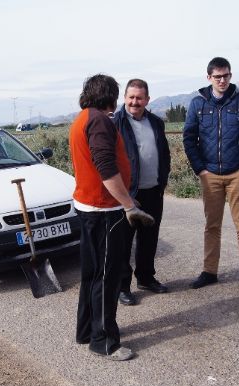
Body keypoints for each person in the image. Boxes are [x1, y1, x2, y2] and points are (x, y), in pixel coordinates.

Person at [69, 74, 155, 361]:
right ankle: (104, 341)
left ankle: (86, 331)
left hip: (89, 207)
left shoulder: (82, 117)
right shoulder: (100, 121)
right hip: (105, 211)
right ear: (111, 96)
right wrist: (129, 204)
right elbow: (106, 167)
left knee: (92, 274)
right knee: (107, 277)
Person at [183, 57, 239, 296]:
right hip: (210, 176)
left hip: (237, 174)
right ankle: (209, 272)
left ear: (230, 75)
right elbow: (189, 138)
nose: (222, 80)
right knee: (212, 226)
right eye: (217, 76)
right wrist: (200, 169)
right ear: (209, 77)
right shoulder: (198, 104)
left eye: (226, 75)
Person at [112, 79, 171, 306]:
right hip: (128, 194)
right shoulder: (116, 123)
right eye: (131, 97)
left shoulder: (156, 122)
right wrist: (123, 193)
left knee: (149, 239)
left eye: (139, 98)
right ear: (124, 98)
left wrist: (163, 179)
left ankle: (146, 278)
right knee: (124, 242)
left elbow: (164, 153)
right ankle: (122, 287)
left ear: (147, 99)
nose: (135, 102)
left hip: (153, 191)